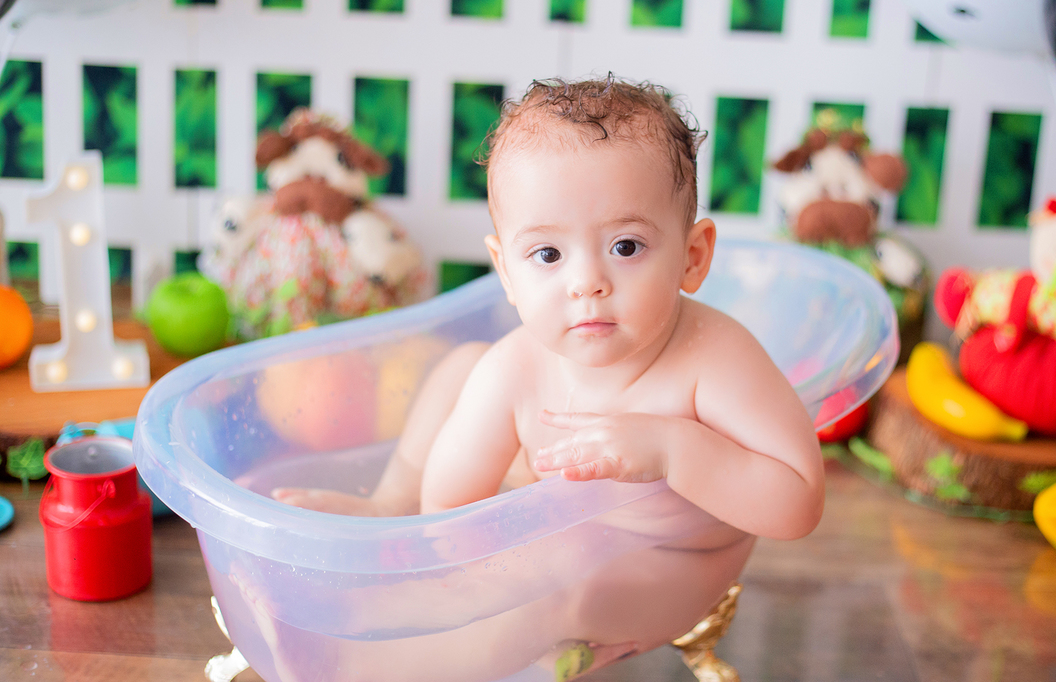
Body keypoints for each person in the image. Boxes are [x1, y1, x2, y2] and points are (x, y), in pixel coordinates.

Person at [270, 76, 825, 678]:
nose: (586, 282)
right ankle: (387, 508)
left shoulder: (713, 360)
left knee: (552, 592)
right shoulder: (517, 366)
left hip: (663, 562)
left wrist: (674, 448)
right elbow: (450, 515)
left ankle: (357, 664)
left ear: (692, 258)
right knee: (462, 370)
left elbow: (798, 502)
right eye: (549, 256)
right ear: (506, 271)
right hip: (537, 514)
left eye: (627, 246)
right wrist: (446, 545)